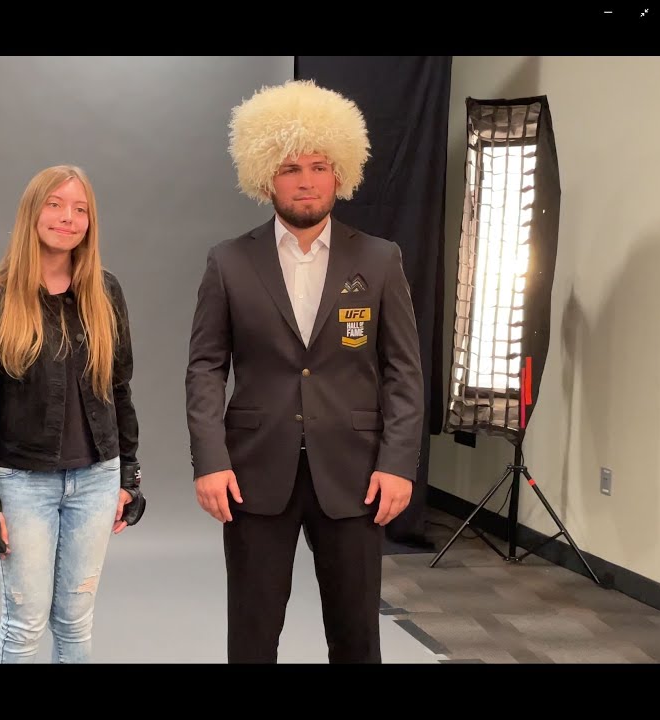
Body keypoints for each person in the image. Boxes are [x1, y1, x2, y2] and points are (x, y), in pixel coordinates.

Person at [184, 80, 424, 663]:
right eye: (291, 167)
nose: (307, 180)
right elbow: (205, 369)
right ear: (266, 177)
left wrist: (397, 465)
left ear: (340, 173)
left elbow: (404, 373)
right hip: (253, 473)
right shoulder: (229, 261)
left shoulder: (379, 259)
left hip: (355, 473)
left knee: (356, 634)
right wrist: (210, 461)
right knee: (252, 632)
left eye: (319, 166)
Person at [0, 164, 146, 663]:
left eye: (80, 208)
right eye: (56, 205)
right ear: (32, 214)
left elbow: (119, 389)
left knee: (75, 623)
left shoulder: (106, 293)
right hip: (23, 484)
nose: (68, 217)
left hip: (97, 481)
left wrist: (130, 473)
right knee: (24, 625)